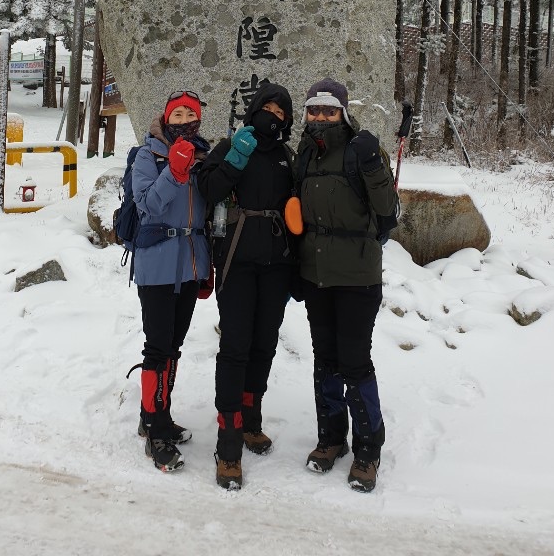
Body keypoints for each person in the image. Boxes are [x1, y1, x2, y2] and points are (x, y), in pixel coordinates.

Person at [294, 78, 398, 493]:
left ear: (343, 113)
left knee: (354, 361)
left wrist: (373, 166)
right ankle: (331, 438)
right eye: (314, 110)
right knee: (325, 358)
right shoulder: (305, 152)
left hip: (357, 276)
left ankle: (368, 448)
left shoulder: (361, 150)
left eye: (329, 110)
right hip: (316, 274)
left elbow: (388, 210)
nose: (321, 117)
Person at [197, 82, 295, 491]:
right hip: (236, 261)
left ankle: (251, 420)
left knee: (264, 344)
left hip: (277, 265)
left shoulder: (288, 157)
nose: (273, 116)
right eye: (267, 108)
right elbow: (207, 189)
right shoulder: (230, 146)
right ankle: (229, 440)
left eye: (281, 113)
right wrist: (235, 160)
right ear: (254, 109)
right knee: (235, 347)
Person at [131, 90, 212, 474]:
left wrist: (206, 266)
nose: (182, 120)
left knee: (174, 346)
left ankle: (155, 415)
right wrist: (174, 172)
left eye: (189, 114)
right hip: (157, 264)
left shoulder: (203, 156)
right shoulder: (147, 155)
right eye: (176, 114)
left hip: (190, 264)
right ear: (166, 119)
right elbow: (148, 204)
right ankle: (156, 431)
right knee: (158, 347)